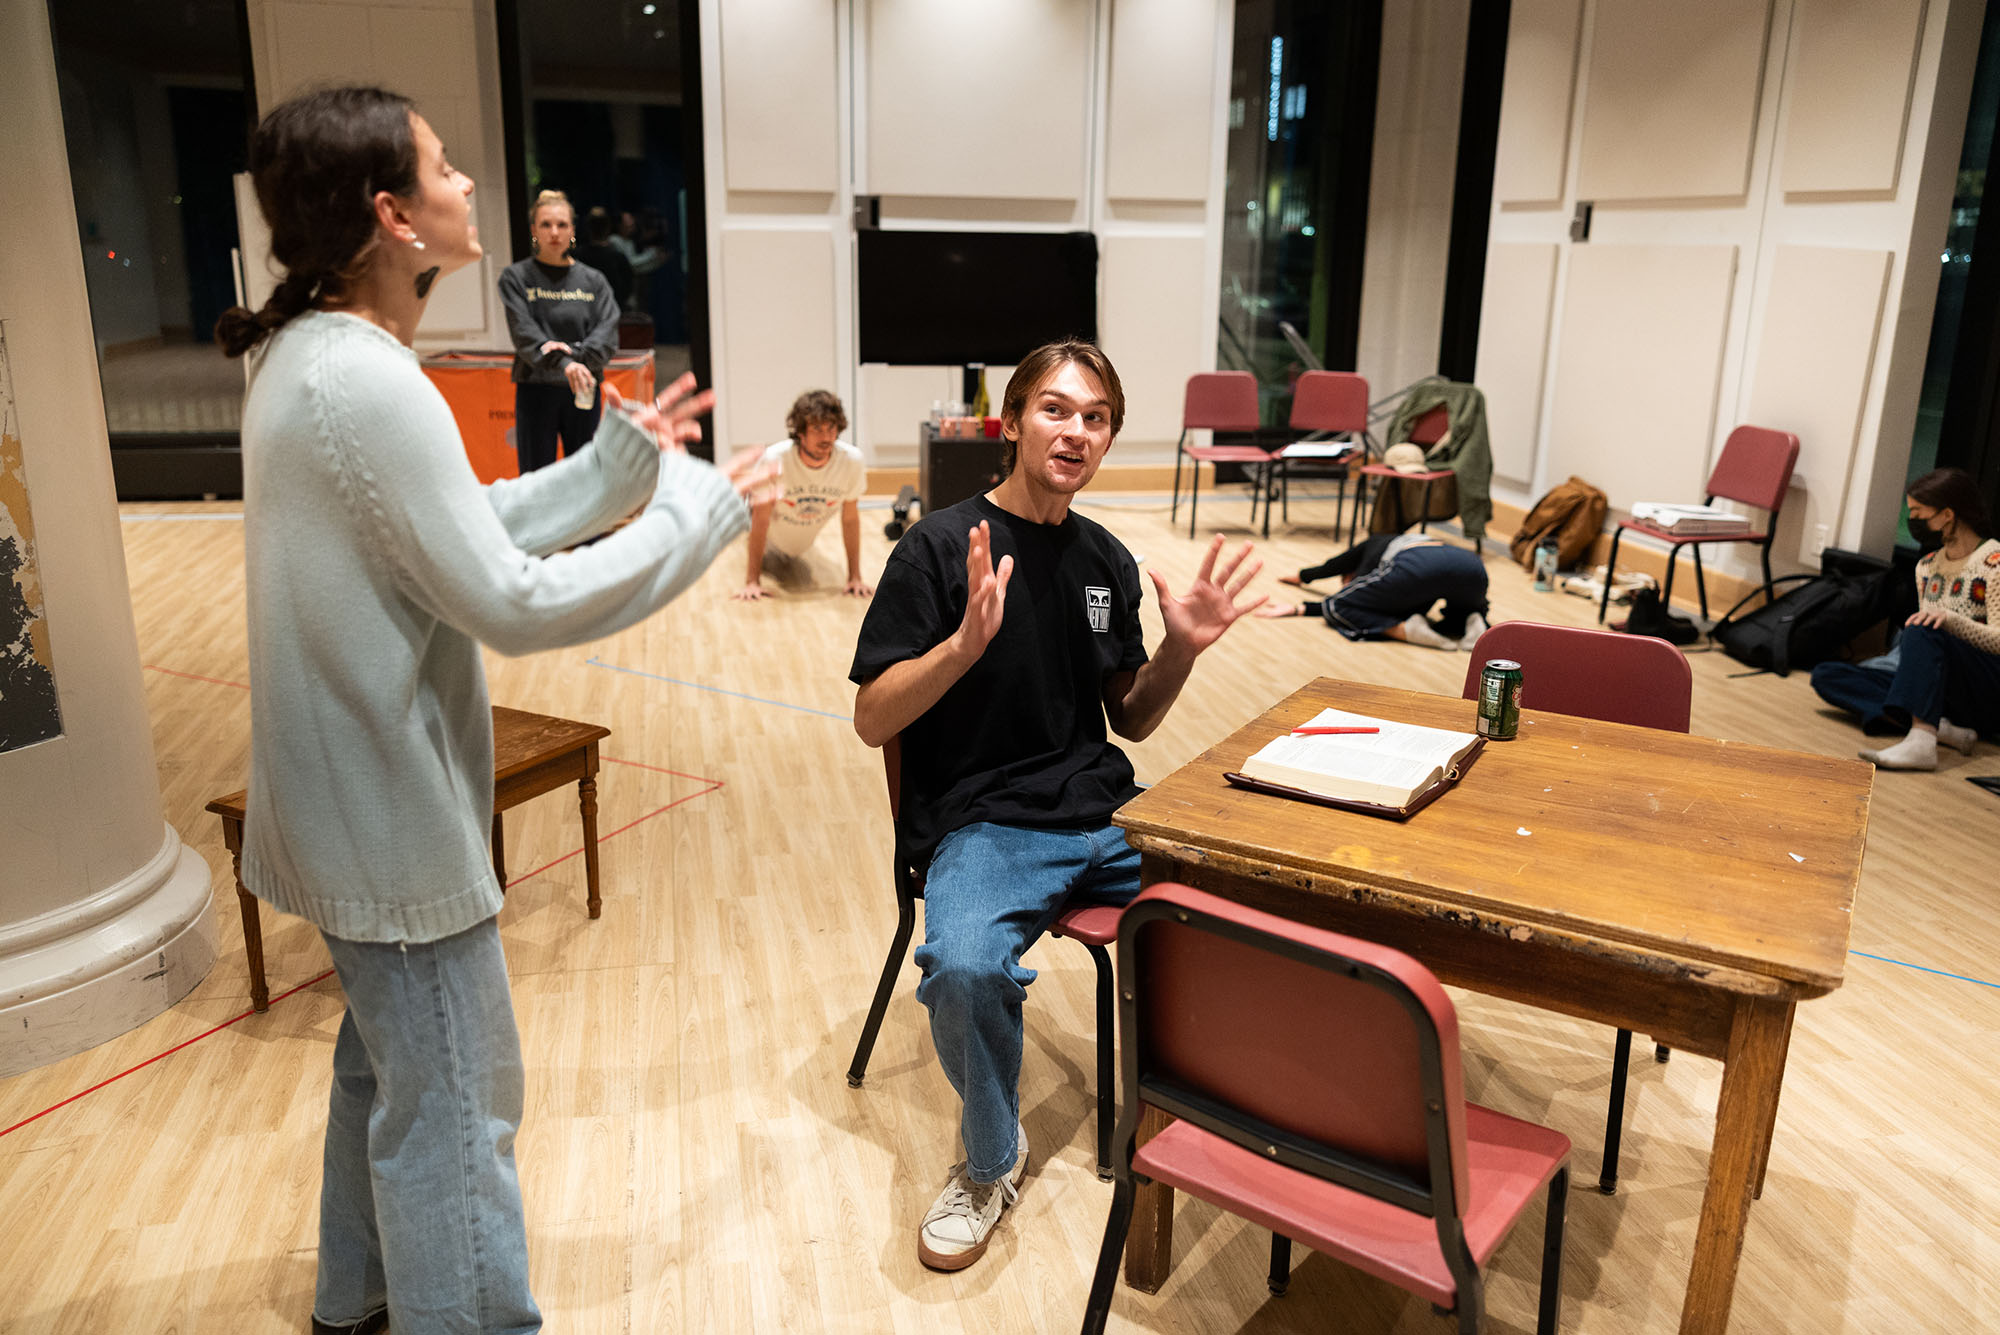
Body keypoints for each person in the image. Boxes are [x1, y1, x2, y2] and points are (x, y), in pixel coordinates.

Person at [214, 86, 771, 1335]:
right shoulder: (366, 383)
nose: (470, 183)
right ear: (390, 216)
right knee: (459, 1109)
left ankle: (353, 1301)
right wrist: (691, 518)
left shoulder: (317, 359)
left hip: (348, 808)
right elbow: (506, 601)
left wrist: (609, 476)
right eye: (444, 165)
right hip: (387, 822)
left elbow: (440, 539)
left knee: (389, 1080)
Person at [848, 340, 1263, 1272]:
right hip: (987, 824)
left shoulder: (1105, 558)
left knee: (1259, 904)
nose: (1076, 431)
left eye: (1096, 417)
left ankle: (1229, 1116)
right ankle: (992, 1159)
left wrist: (1184, 651)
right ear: (1012, 422)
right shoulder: (936, 548)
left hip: (1107, 817)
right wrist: (960, 647)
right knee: (962, 966)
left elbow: (1131, 718)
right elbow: (874, 719)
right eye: (1056, 410)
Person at [1810, 467, 2000, 769]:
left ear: (1947, 514)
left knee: (1924, 627)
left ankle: (1923, 738)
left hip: (1983, 685)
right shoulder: (1926, 567)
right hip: (1940, 688)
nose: (1912, 522)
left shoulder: (1994, 561)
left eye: (1918, 513)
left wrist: (1950, 620)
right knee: (1827, 675)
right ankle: (1942, 727)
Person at [499, 189, 621, 474]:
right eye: (545, 224)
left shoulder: (594, 281)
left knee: (586, 475)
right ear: (533, 230)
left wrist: (575, 360)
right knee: (535, 478)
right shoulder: (516, 278)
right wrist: (565, 364)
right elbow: (525, 335)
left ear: (573, 231)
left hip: (583, 390)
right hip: (536, 390)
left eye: (562, 225)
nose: (554, 232)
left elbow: (607, 334)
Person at [734, 389, 871, 599]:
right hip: (763, 533)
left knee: (796, 557)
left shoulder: (851, 461)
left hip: (801, 541)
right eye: (817, 428)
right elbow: (760, 520)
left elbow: (850, 519)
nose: (826, 437)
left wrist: (855, 577)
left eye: (831, 428)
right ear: (800, 431)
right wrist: (752, 581)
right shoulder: (775, 459)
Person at [1256, 531, 1490, 649]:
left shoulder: (1375, 550)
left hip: (1418, 562)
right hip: (1470, 563)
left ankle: (1405, 630)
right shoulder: (1401, 541)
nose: (1346, 583)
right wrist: (1303, 578)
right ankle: (1472, 619)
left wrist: (1301, 606)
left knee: (1338, 606)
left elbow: (1337, 567)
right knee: (1455, 612)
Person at [573, 205, 635, 307]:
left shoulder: (576, 257)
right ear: (608, 227)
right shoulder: (618, 258)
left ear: (588, 227)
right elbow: (626, 291)